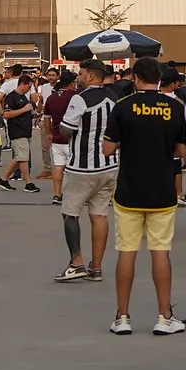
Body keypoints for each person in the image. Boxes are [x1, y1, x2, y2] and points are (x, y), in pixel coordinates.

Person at [104, 58, 186, 336]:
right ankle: (164, 316)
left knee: (126, 252)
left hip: (129, 190)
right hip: (162, 190)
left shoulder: (123, 107)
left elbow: (107, 148)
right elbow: (182, 150)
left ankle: (122, 316)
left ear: (136, 78)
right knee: (160, 253)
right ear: (160, 79)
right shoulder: (175, 107)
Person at [54, 62, 118, 281]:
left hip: (82, 166)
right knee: (99, 214)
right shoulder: (114, 98)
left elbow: (66, 128)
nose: (78, 77)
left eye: (81, 74)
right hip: (108, 165)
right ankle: (96, 267)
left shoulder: (80, 98)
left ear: (91, 76)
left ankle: (77, 262)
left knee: (69, 212)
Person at [0, 73, 40, 192]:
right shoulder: (12, 97)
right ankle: (28, 182)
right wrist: (24, 109)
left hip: (25, 130)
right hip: (17, 131)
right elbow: (7, 114)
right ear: (22, 84)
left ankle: (3, 179)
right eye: (28, 87)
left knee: (19, 156)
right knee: (23, 157)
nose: (29, 90)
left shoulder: (24, 97)